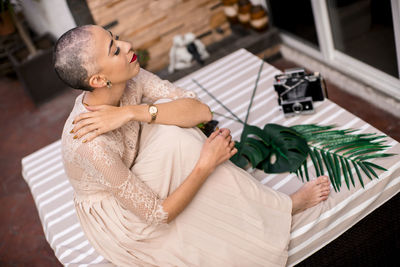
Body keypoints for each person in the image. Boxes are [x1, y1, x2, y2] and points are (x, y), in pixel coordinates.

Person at [55, 25, 331, 267]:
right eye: (115, 49)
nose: (127, 46)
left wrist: (131, 112)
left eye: (116, 38)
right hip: (124, 216)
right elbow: (157, 215)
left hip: (136, 157)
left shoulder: (130, 78)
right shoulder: (90, 144)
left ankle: (271, 205)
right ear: (99, 81)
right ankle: (282, 207)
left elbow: (201, 112)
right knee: (186, 145)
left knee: (169, 117)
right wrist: (205, 164)